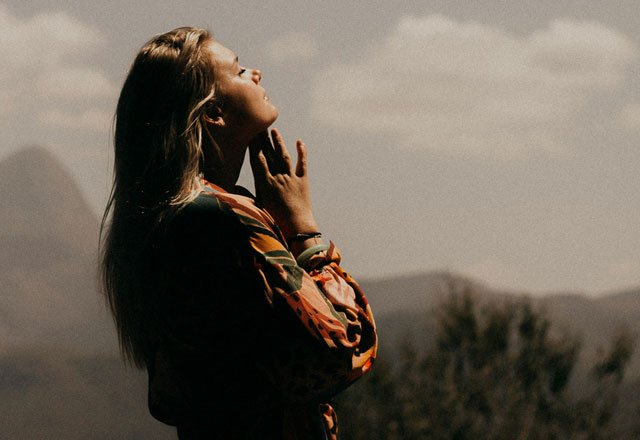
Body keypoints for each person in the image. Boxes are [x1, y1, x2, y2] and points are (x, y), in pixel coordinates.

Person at [100, 26, 377, 439]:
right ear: (214, 112)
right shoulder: (220, 219)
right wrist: (303, 231)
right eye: (240, 70)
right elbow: (343, 351)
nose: (256, 72)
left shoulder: (175, 219)